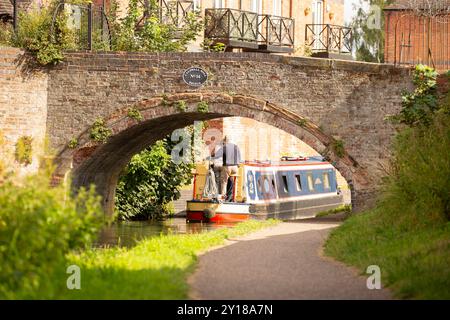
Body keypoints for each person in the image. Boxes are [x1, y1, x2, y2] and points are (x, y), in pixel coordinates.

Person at [209, 136, 241, 201]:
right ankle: (232, 197)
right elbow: (239, 158)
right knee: (232, 180)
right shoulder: (236, 147)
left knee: (224, 181)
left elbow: (214, 155)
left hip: (228, 167)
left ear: (224, 142)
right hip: (236, 168)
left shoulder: (224, 147)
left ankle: (222, 198)